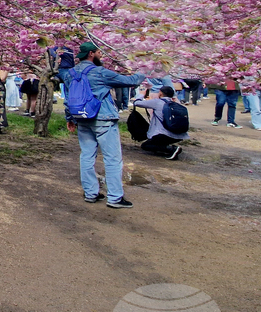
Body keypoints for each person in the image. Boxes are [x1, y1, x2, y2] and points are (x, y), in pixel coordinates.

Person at [60, 42, 145, 209]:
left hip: (82, 119)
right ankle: (115, 197)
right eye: (99, 52)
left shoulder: (70, 74)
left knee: (86, 155)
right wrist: (144, 70)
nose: (101, 55)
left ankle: (91, 193)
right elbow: (130, 81)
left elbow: (69, 97)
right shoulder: (99, 72)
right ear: (91, 54)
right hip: (103, 118)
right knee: (112, 158)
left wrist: (70, 118)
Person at [134, 86, 188, 160]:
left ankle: (171, 149)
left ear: (161, 93)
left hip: (163, 134)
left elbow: (137, 103)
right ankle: (166, 148)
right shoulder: (175, 104)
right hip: (180, 135)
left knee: (146, 145)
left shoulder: (157, 102)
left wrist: (141, 94)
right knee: (157, 141)